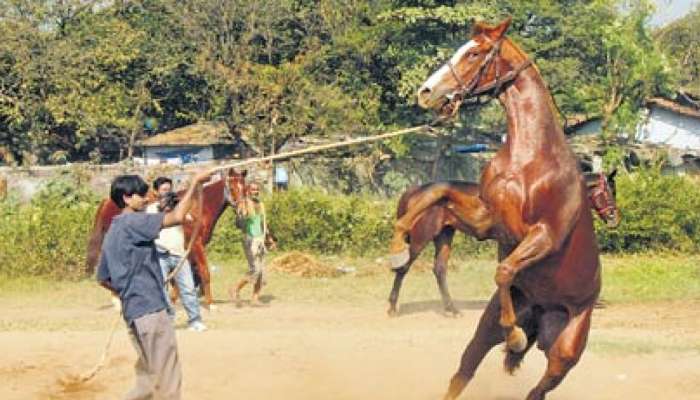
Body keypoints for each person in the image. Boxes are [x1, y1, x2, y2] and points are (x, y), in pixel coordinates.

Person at [97, 170, 212, 400]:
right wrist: (195, 183)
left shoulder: (114, 229)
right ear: (127, 199)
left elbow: (103, 278)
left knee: (147, 382)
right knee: (168, 380)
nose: (146, 198)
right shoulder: (134, 221)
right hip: (151, 311)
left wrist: (128, 293)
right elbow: (178, 216)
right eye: (141, 195)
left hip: (134, 313)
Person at [147, 176, 207, 332]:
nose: (167, 192)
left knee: (188, 288)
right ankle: (169, 317)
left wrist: (180, 207)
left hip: (179, 254)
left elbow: (191, 220)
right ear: (156, 192)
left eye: (169, 189)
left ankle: (195, 320)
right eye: (164, 190)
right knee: (161, 288)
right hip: (160, 253)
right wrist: (162, 209)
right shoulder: (151, 209)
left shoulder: (178, 208)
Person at [229, 182, 268, 306]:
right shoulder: (245, 203)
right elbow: (239, 224)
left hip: (260, 239)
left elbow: (262, 222)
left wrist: (268, 237)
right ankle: (235, 289)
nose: (255, 191)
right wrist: (241, 215)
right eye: (252, 189)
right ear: (248, 191)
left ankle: (255, 298)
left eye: (256, 189)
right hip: (250, 240)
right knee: (255, 269)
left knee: (261, 271)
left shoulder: (260, 204)